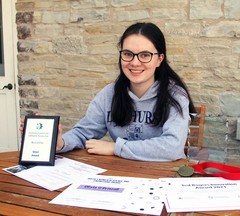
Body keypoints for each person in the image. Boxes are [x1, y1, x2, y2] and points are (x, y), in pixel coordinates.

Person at [23, 22, 195, 162]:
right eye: (128, 54)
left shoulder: (175, 95)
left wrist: (115, 148)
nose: (135, 63)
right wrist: (59, 142)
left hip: (164, 177)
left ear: (159, 59)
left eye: (144, 55)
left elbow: (172, 147)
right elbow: (84, 132)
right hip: (121, 174)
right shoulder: (109, 94)